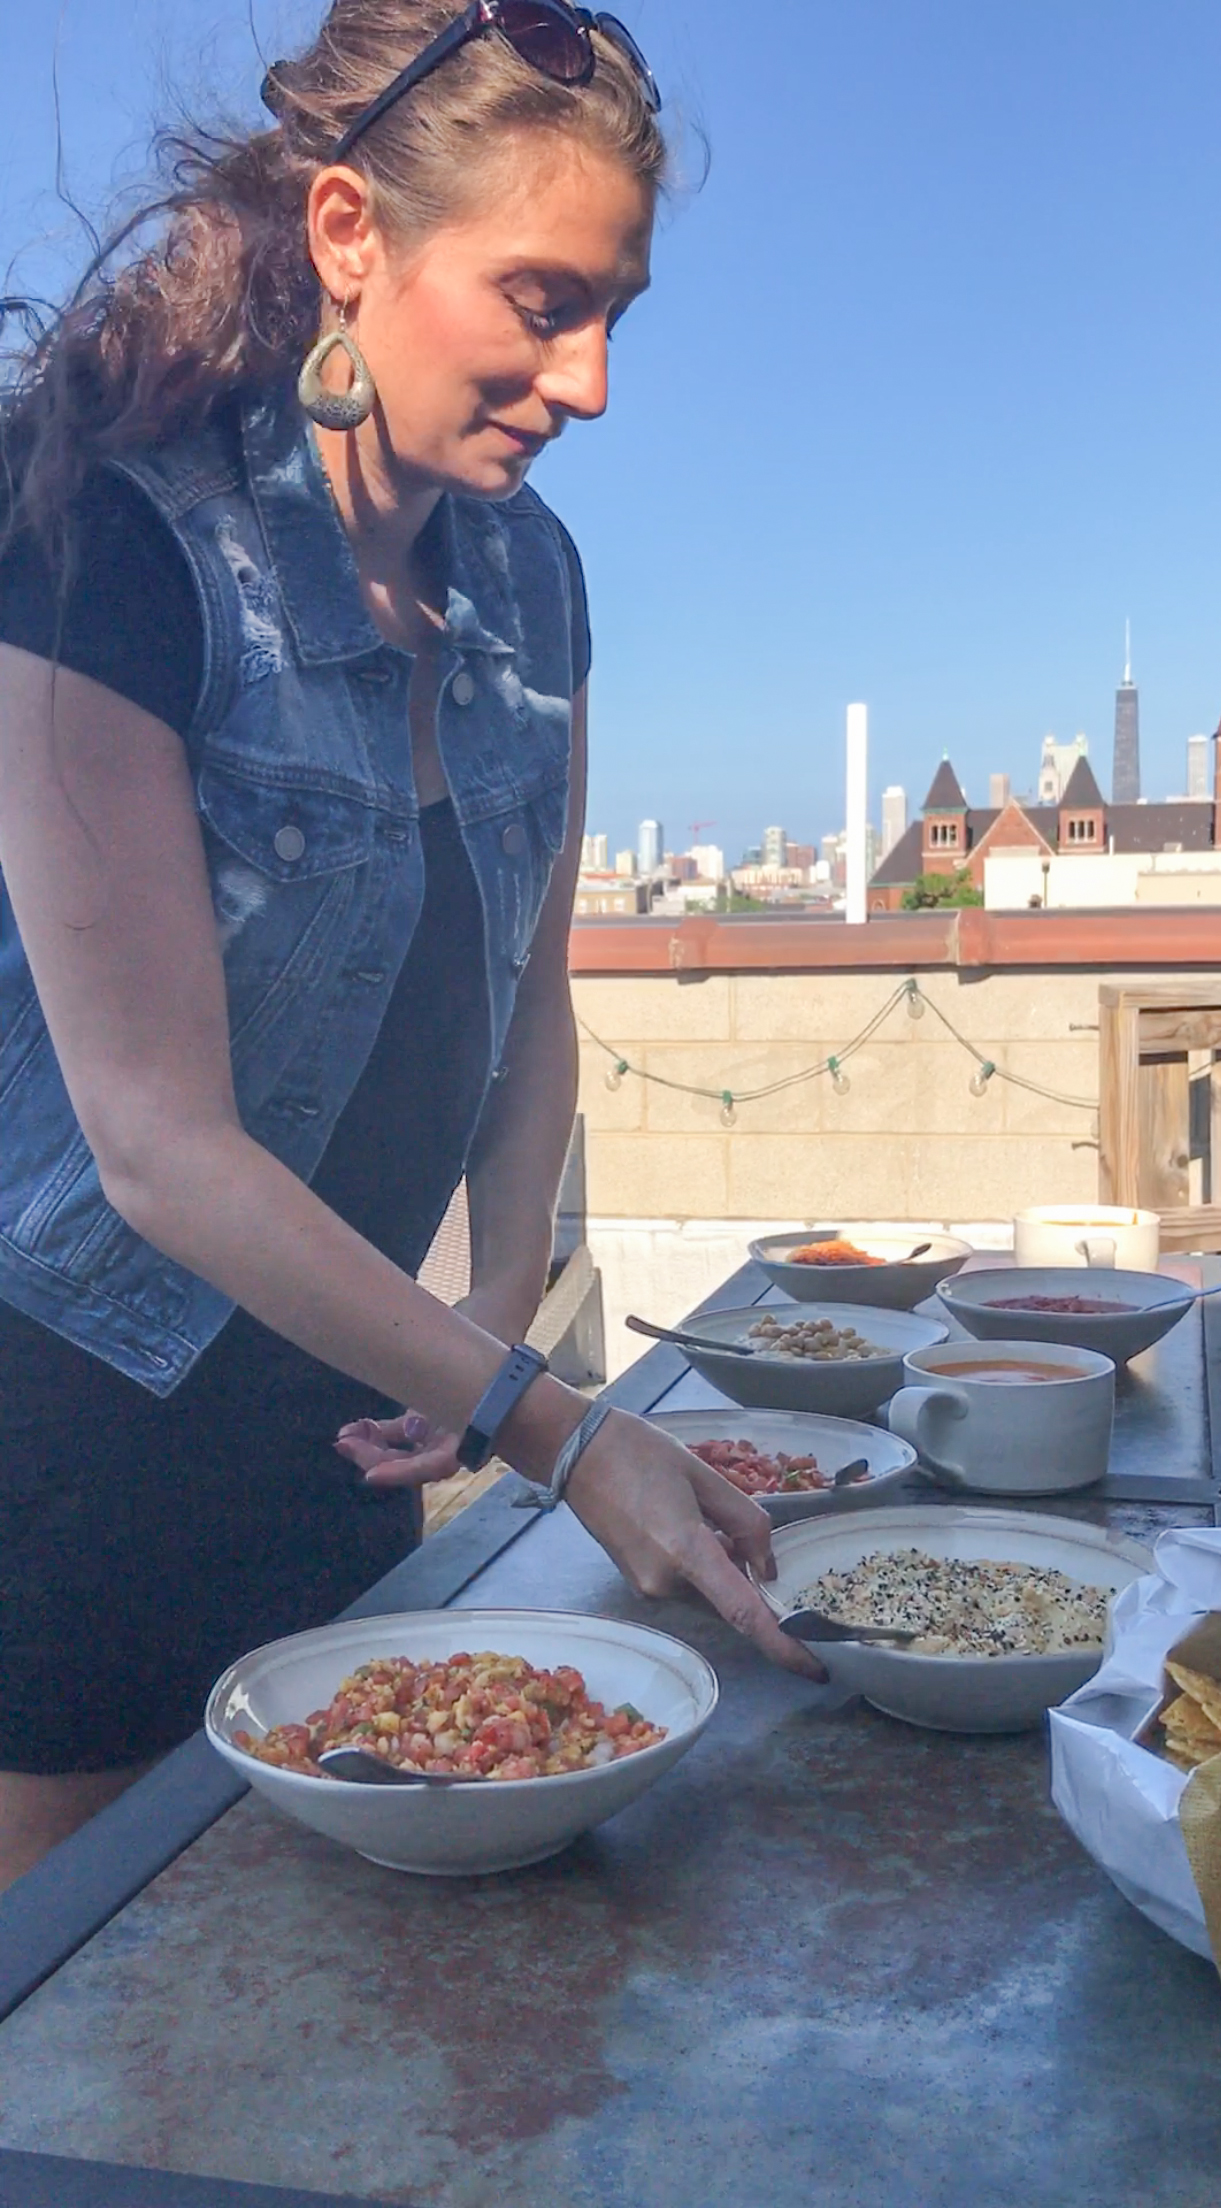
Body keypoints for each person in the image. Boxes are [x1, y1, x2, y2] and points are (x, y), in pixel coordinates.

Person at [0, 0, 820, 1889]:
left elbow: (530, 990)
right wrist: (557, 1432)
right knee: (66, 2042)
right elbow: (154, 1145)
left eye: (614, 306)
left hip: (347, 1444)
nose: (594, 378)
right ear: (351, 235)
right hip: (69, 1467)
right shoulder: (102, 545)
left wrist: (496, 1311)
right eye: (543, 298)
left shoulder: (535, 578)